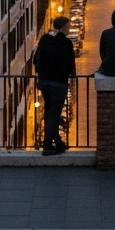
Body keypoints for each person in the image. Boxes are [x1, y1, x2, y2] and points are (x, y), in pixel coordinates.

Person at [34, 16, 76, 156]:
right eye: (68, 26)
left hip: (43, 81)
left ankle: (57, 142)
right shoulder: (66, 43)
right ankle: (47, 145)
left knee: (49, 112)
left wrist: (41, 72)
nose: (69, 29)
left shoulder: (44, 38)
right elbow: (71, 64)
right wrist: (70, 74)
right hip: (58, 82)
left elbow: (36, 59)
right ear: (63, 27)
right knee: (54, 114)